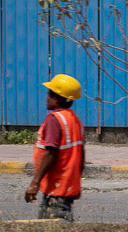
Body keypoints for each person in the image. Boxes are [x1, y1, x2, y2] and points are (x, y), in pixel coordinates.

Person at [25, 74, 86, 220]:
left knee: (54, 230)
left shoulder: (55, 120)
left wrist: (34, 183)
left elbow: (51, 153)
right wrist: (76, 183)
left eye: (49, 94)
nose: (46, 98)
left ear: (56, 98)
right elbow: (81, 156)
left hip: (56, 187)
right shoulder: (75, 121)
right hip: (67, 187)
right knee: (56, 227)